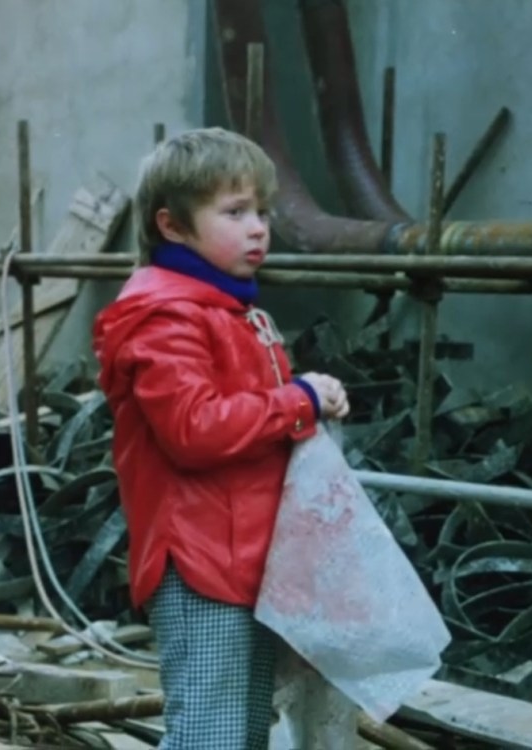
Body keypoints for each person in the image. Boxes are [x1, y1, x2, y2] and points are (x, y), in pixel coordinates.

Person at [92, 127, 349, 748]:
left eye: (260, 210)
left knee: (242, 732)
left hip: (244, 557)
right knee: (210, 736)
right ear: (172, 226)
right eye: (234, 212)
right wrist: (301, 400)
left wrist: (309, 404)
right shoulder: (165, 317)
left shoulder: (230, 310)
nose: (258, 227)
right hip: (199, 562)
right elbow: (194, 430)